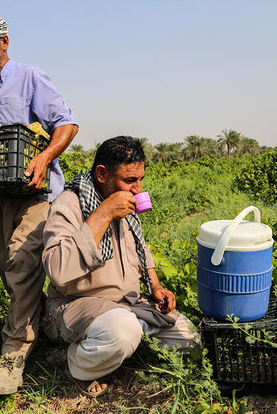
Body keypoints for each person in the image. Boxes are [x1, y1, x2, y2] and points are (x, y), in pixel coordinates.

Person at [0, 15, 78, 395]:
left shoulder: (30, 77)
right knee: (10, 273)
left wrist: (43, 159)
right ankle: (49, 328)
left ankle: (11, 360)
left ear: (4, 42)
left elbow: (66, 125)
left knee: (22, 265)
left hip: (34, 193)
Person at [43, 136, 199, 397]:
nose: (137, 189)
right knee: (123, 331)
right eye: (129, 180)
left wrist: (156, 286)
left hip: (129, 303)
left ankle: (119, 345)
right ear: (102, 174)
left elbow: (140, 247)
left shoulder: (124, 201)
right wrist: (103, 214)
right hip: (80, 304)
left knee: (191, 341)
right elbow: (57, 271)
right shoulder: (68, 204)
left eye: (140, 180)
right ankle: (79, 364)